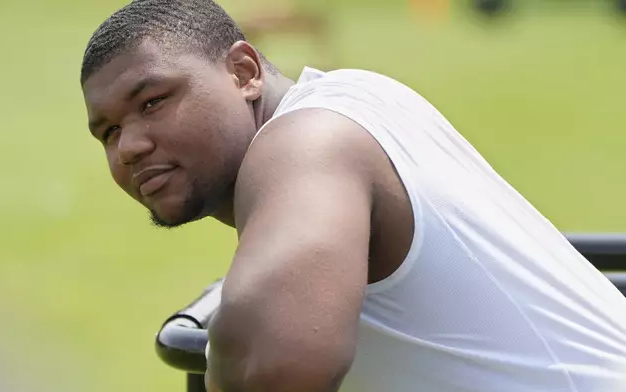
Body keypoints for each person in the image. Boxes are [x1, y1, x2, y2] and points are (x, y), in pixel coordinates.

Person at [79, 0, 626, 391]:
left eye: (152, 101)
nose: (128, 146)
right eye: (107, 132)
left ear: (243, 72)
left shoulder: (309, 139)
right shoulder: (353, 95)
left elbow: (270, 368)